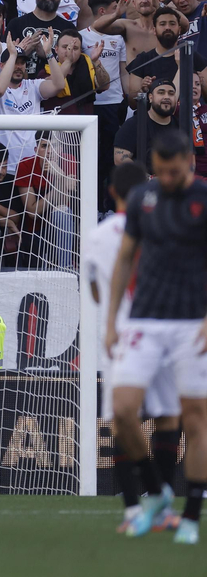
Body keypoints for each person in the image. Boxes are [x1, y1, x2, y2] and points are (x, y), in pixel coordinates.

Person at [103, 129, 207, 542]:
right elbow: (126, 257)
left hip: (190, 323)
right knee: (123, 410)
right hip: (144, 321)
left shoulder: (203, 199)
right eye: (159, 171)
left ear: (190, 163)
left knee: (196, 420)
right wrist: (111, 320)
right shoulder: (144, 199)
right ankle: (158, 489)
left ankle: (192, 517)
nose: (165, 178)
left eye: (172, 171)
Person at [88, 160, 185, 534]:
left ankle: (132, 508)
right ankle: (161, 502)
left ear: (112, 193)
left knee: (120, 420)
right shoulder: (165, 225)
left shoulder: (99, 235)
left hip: (123, 335)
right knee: (167, 418)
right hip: (164, 330)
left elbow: (96, 290)